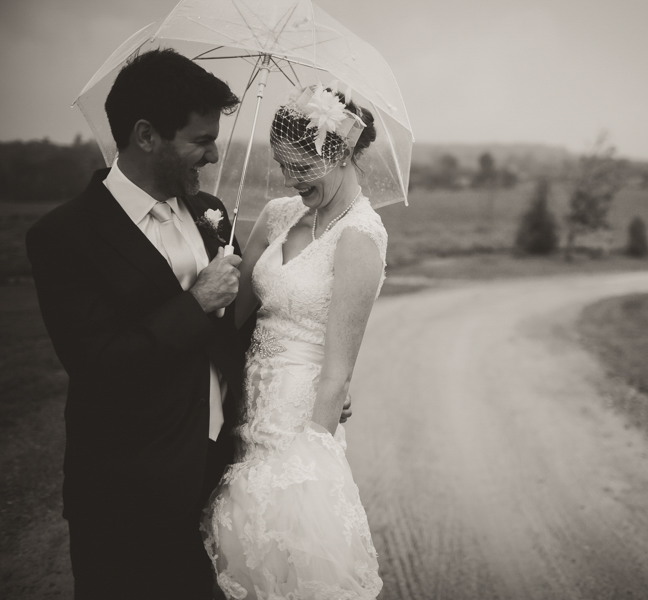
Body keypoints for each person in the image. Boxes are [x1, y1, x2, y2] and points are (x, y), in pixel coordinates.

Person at [26, 49, 351, 598]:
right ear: (147, 135)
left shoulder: (211, 214)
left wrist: (301, 380)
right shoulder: (65, 237)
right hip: (128, 495)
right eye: (201, 140)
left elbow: (236, 334)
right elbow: (99, 367)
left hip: (219, 475)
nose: (214, 153)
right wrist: (194, 304)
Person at [201, 85, 386, 599]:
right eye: (283, 165)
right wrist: (214, 278)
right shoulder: (279, 216)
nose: (290, 179)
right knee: (241, 558)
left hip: (297, 425)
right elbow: (232, 322)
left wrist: (307, 472)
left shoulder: (360, 238)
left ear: (343, 153)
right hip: (245, 409)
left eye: (302, 167)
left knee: (289, 557)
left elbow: (336, 375)